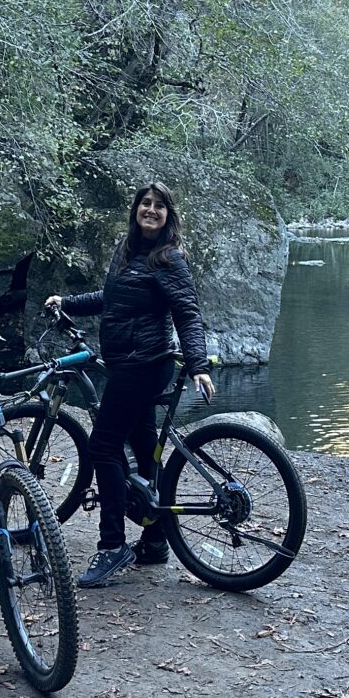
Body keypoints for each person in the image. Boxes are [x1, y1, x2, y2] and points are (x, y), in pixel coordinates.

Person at [44, 183, 214, 587]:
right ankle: (155, 541)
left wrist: (198, 365)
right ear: (136, 209)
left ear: (169, 215)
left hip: (143, 364)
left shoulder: (168, 259)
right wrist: (67, 302)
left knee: (102, 446)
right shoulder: (129, 252)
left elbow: (187, 313)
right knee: (141, 447)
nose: (150, 210)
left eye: (159, 206)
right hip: (129, 363)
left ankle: (111, 546)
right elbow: (112, 297)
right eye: (145, 203)